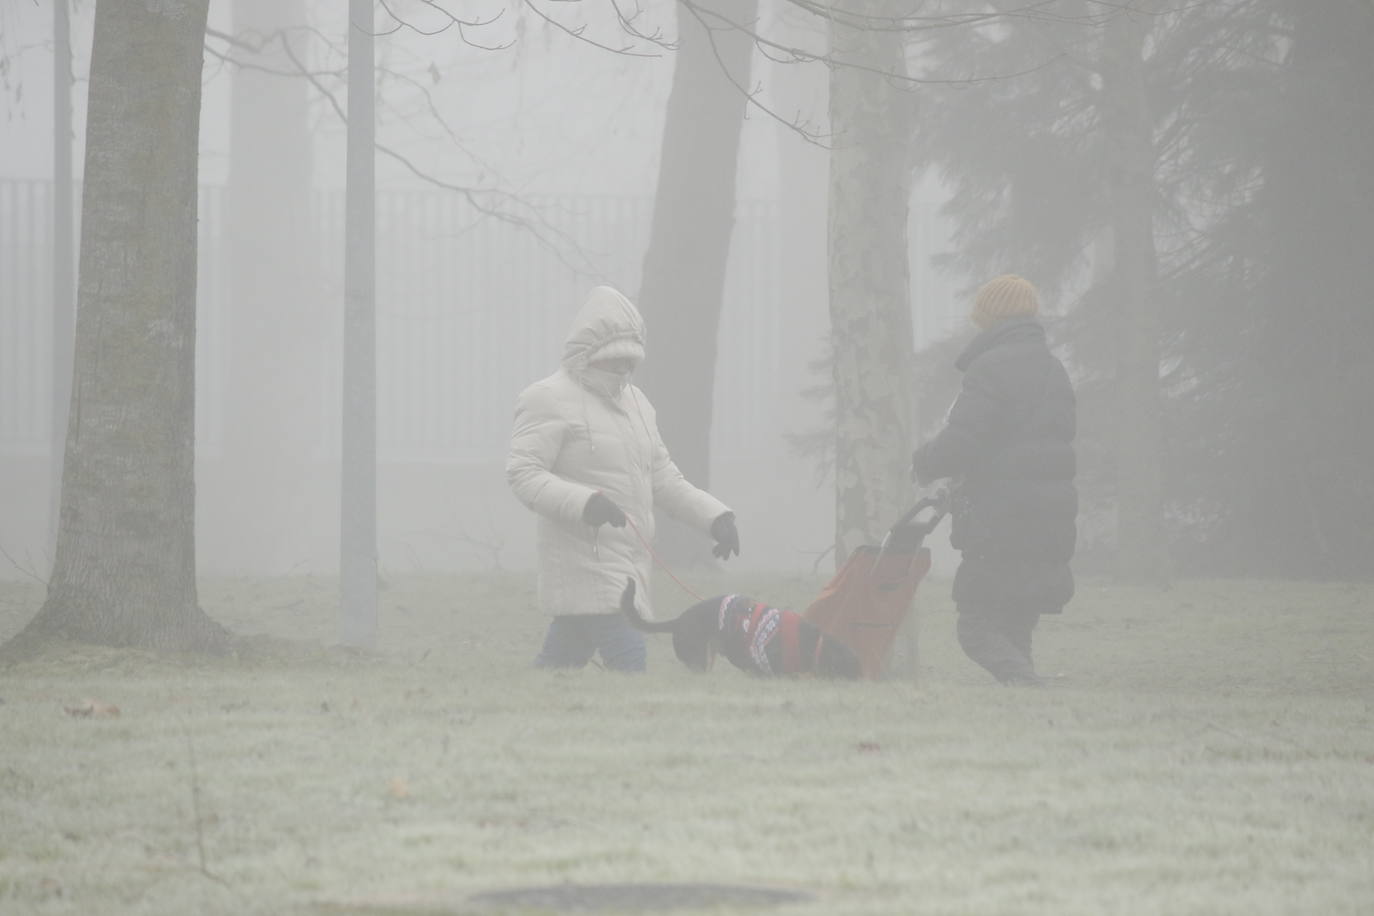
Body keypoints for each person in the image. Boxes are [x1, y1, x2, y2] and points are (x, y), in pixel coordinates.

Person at [506, 286, 740, 672]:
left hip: (629, 562)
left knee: (557, 666)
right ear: (587, 354)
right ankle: (631, 724)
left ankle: (528, 719)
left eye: (629, 362)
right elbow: (523, 474)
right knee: (629, 658)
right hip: (585, 558)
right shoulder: (546, 398)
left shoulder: (638, 405)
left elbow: (664, 479)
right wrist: (585, 503)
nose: (622, 371)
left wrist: (716, 518)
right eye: (613, 361)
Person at [911, 275, 1077, 686]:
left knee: (977, 626)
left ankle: (1030, 688)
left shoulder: (990, 367)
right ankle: (1028, 708)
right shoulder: (1052, 369)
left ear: (991, 317)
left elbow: (965, 439)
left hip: (1000, 517)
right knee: (1016, 625)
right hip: (1049, 516)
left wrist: (925, 461)